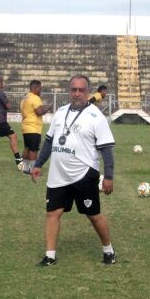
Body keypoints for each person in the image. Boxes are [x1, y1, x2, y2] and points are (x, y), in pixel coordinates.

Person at [31, 75, 116, 266]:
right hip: (58, 174)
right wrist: (38, 164)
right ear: (69, 91)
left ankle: (108, 250)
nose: (77, 93)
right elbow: (50, 141)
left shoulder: (96, 117)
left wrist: (108, 177)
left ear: (88, 92)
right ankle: (50, 255)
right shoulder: (60, 112)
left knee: (93, 215)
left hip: (84, 174)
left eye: (81, 90)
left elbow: (107, 150)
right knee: (53, 213)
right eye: (73, 90)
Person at [0, 75, 23, 170]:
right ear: (0, 82)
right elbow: (8, 105)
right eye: (3, 82)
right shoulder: (0, 93)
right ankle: (18, 158)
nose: (3, 84)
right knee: (13, 136)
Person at [20, 80, 53, 174]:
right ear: (35, 88)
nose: (40, 91)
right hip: (33, 127)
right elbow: (39, 112)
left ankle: (25, 168)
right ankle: (33, 169)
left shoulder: (25, 98)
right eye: (39, 88)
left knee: (27, 147)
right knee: (33, 149)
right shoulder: (35, 98)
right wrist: (48, 107)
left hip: (25, 127)